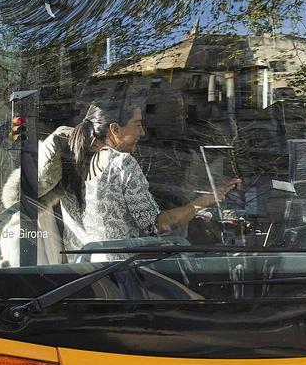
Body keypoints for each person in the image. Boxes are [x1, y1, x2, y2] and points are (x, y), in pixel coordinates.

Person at [59, 99, 229, 259]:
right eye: (138, 124)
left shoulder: (72, 161)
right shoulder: (121, 163)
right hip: (117, 274)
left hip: (82, 274)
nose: (143, 132)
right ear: (115, 129)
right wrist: (205, 200)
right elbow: (156, 225)